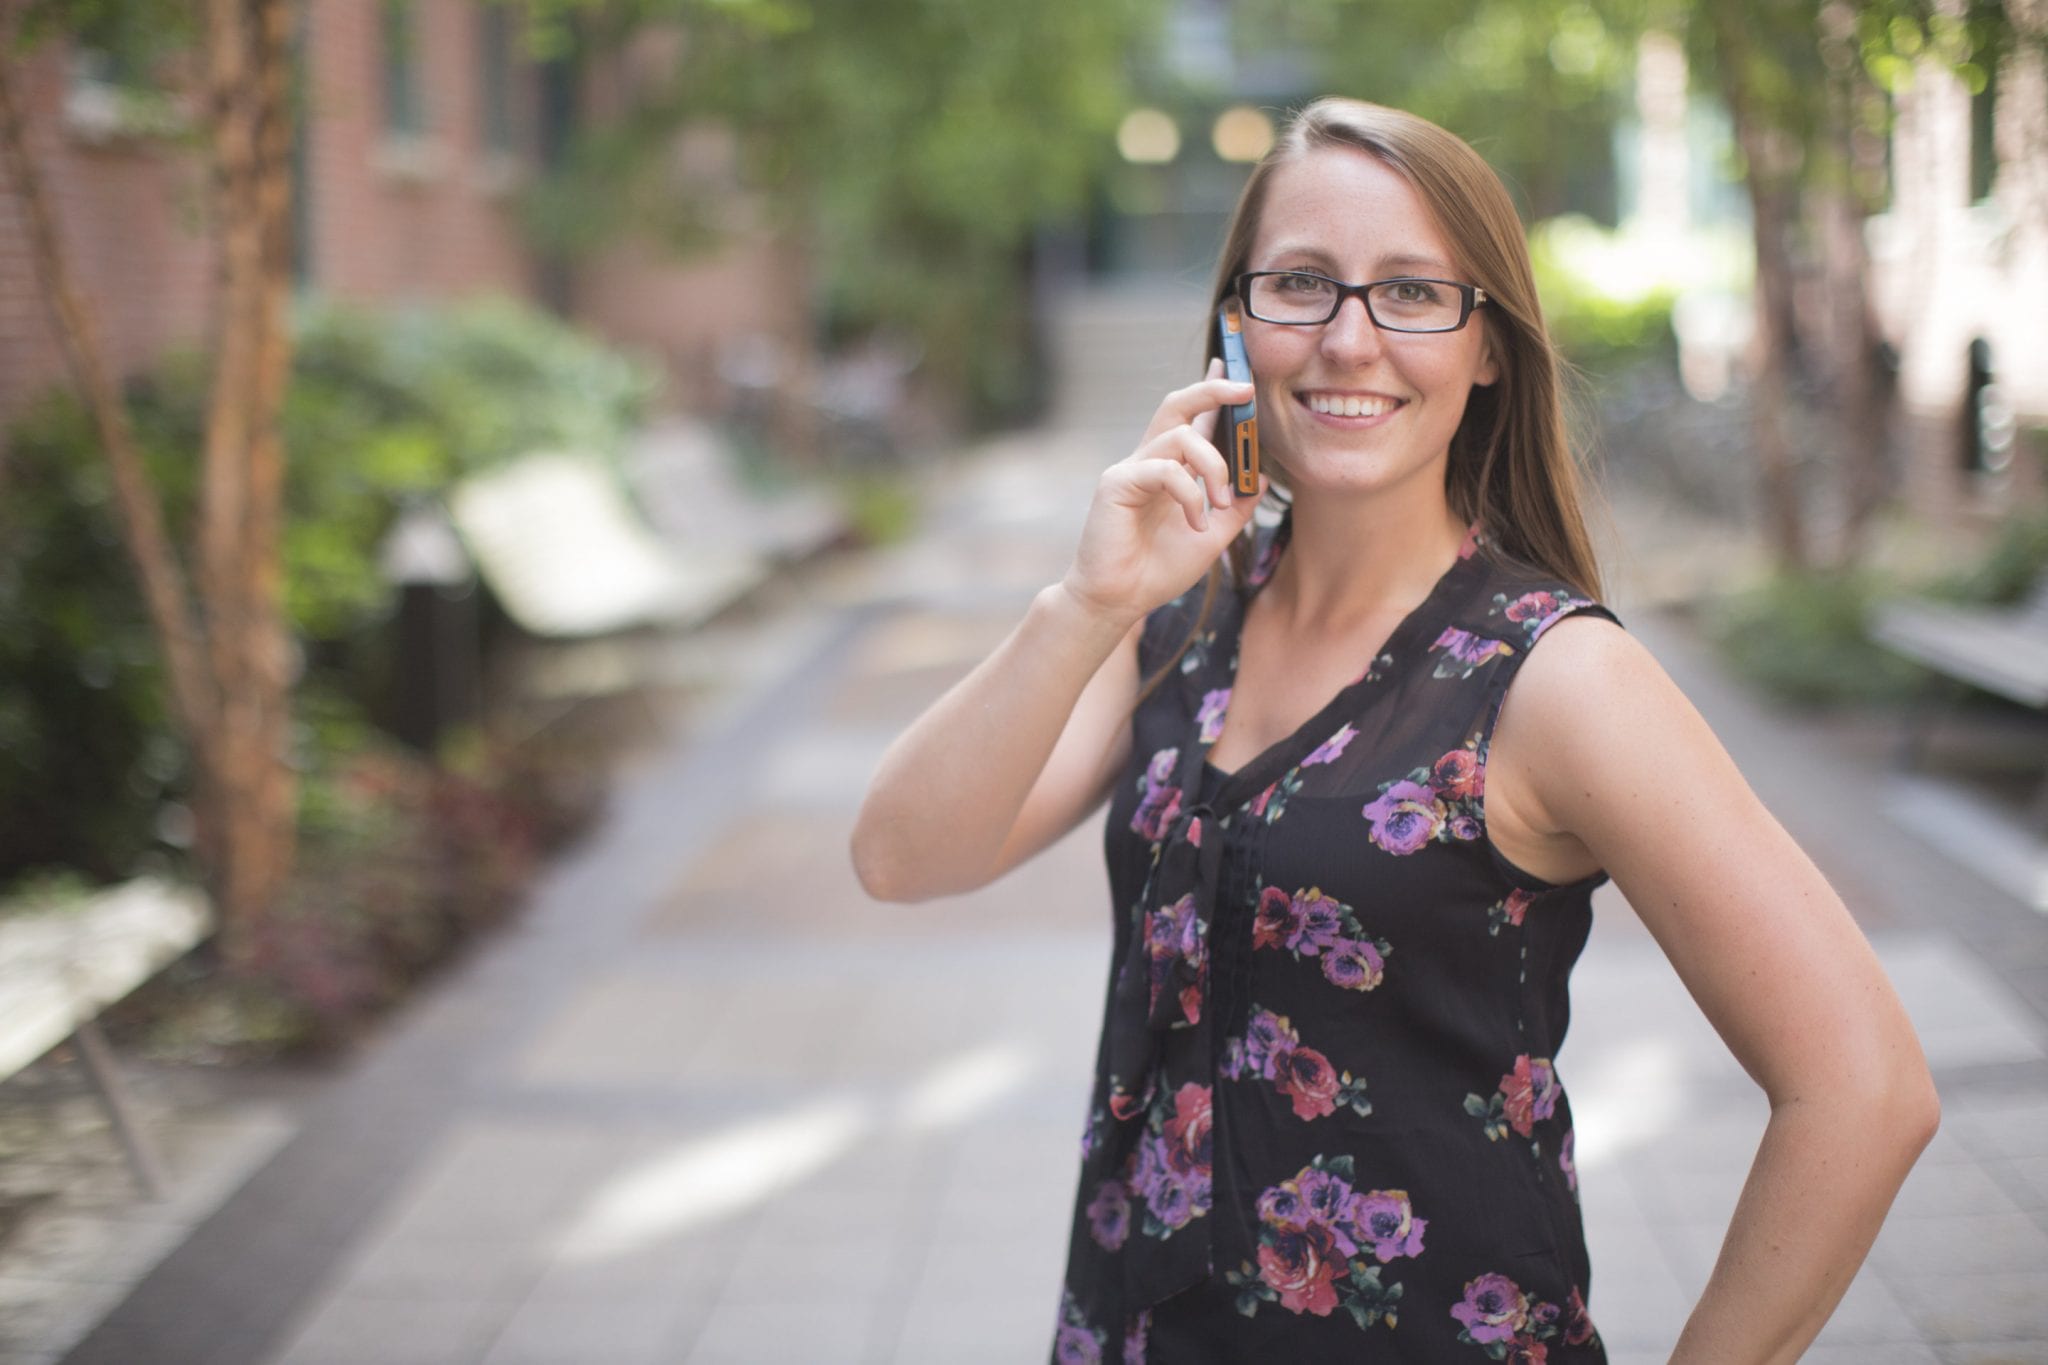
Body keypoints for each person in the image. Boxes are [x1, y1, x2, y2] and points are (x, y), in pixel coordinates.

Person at [850, 97, 1939, 1363]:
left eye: (1413, 293)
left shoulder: (1551, 675)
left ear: (1486, 349)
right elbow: (900, 857)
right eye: (1301, 285)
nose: (1347, 341)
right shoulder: (1173, 623)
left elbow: (1862, 1090)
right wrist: (1087, 601)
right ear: (1232, 327)